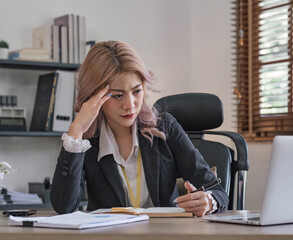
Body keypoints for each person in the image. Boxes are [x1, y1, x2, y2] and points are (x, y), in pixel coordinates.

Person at [50, 41, 229, 217]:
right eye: (118, 95)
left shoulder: (165, 127)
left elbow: (218, 192)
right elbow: (64, 208)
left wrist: (208, 201)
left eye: (136, 91)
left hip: (164, 235)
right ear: (94, 97)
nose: (130, 105)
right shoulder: (85, 141)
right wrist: (76, 131)